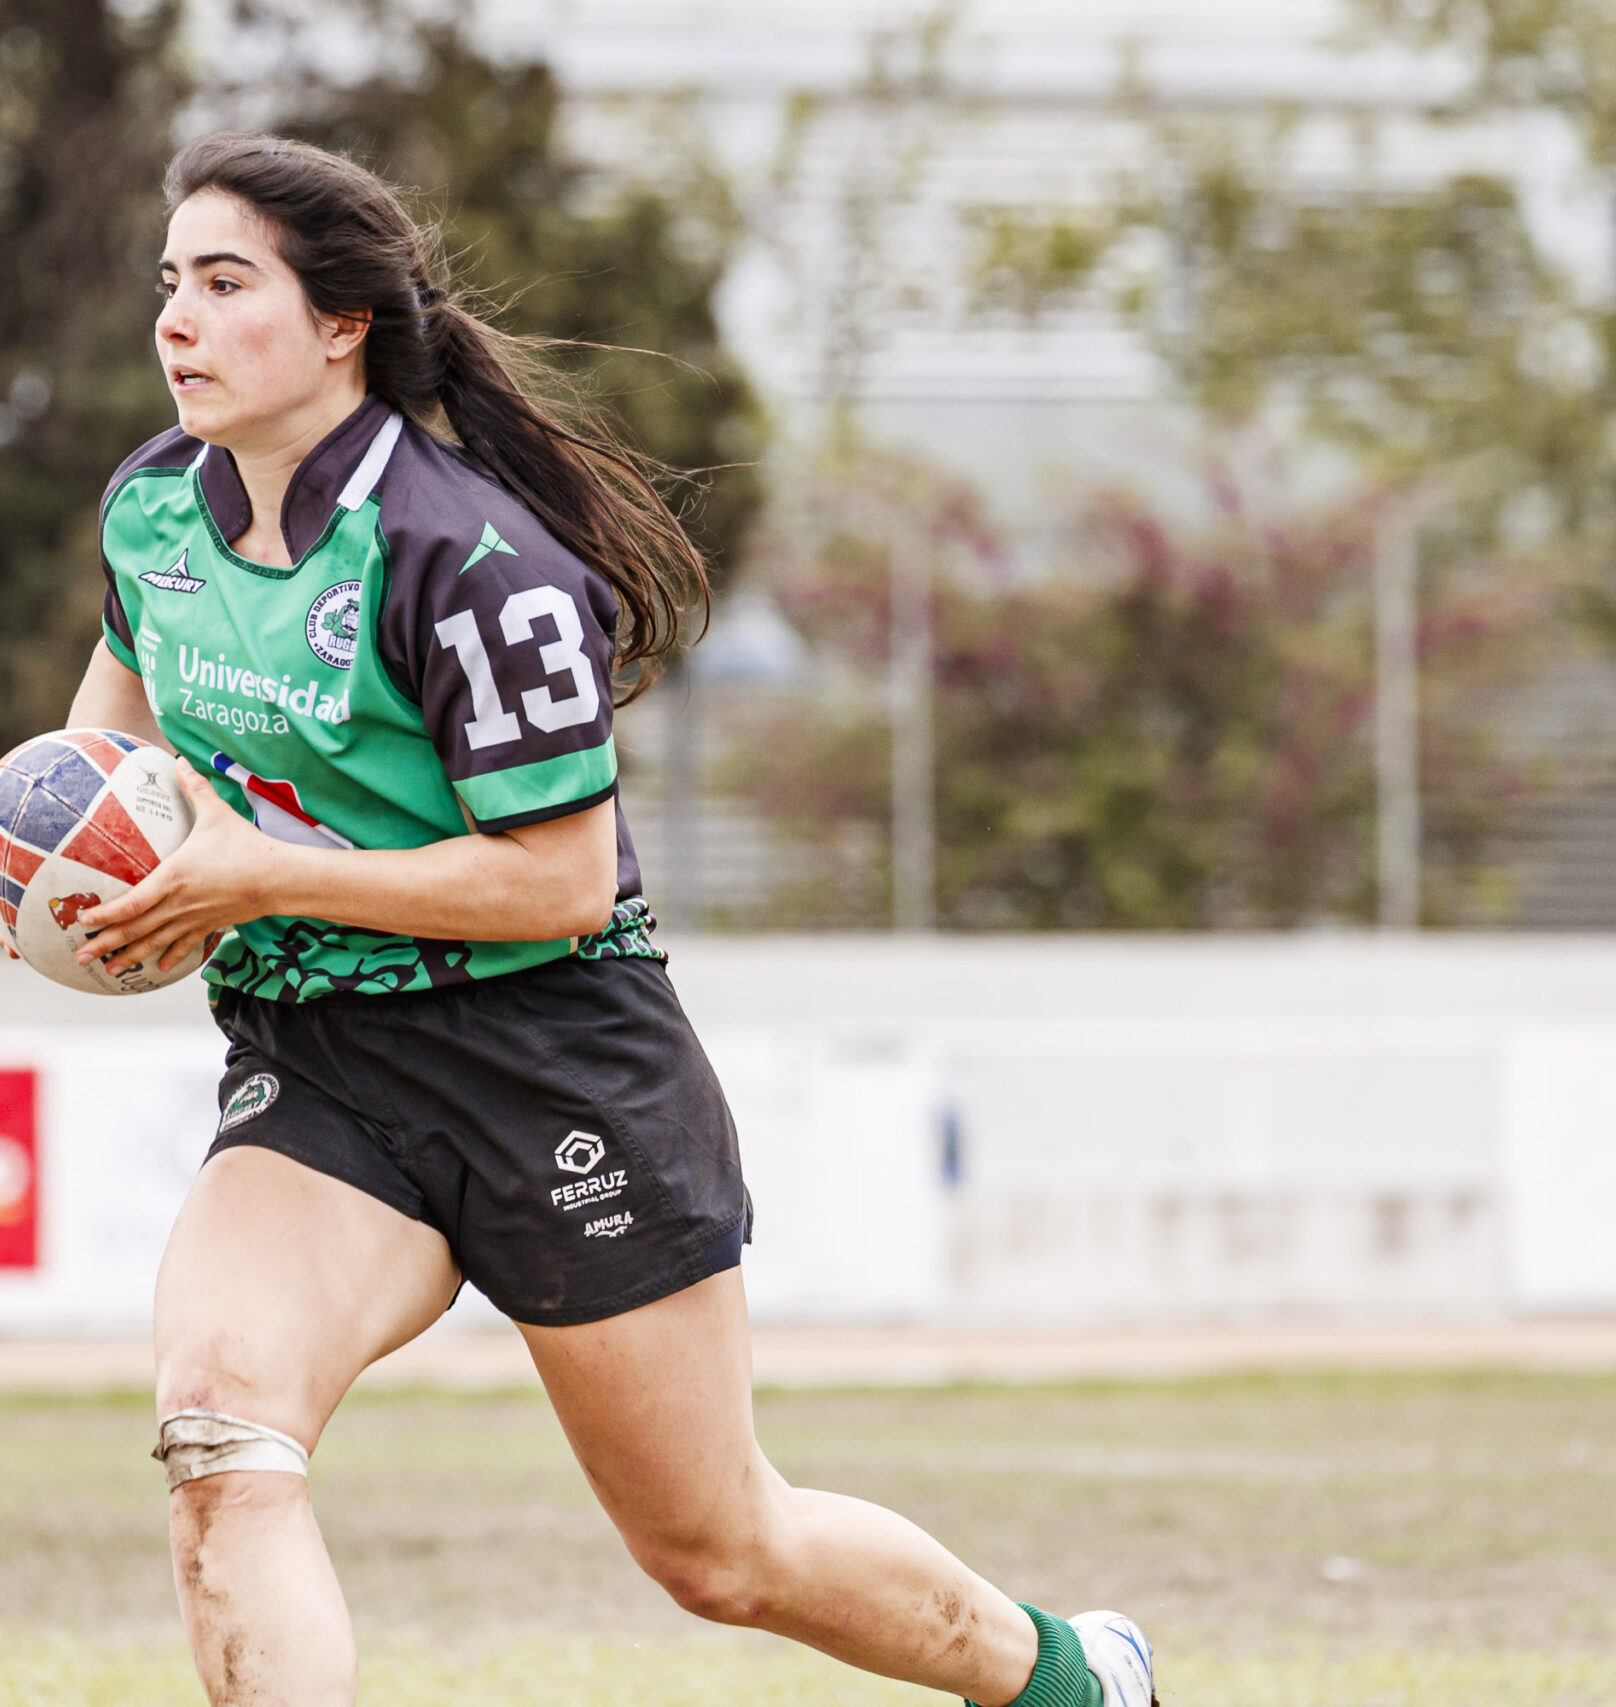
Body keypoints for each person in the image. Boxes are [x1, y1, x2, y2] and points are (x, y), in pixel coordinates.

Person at [60, 131, 1157, 1707]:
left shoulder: (469, 558)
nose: (174, 321)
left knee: (719, 1553)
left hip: (551, 1061)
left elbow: (559, 881)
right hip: (323, 1064)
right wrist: (62, 869)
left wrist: (256, 874)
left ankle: (1068, 1679)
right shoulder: (155, 512)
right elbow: (107, 769)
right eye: (169, 284)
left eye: (226, 285)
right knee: (220, 1424)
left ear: (341, 323)